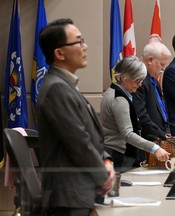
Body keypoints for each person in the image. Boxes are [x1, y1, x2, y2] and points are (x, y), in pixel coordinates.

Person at [37, 18, 115, 216]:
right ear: (59, 53)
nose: (85, 47)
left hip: (80, 193)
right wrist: (103, 177)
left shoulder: (65, 85)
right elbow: (79, 142)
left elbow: (90, 134)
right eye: (79, 42)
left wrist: (106, 161)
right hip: (69, 196)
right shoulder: (56, 88)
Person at [100, 56, 170, 173]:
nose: (139, 84)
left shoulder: (113, 92)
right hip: (118, 156)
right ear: (123, 77)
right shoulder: (119, 99)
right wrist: (155, 148)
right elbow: (128, 134)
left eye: (141, 80)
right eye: (137, 80)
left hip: (116, 153)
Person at [132, 42, 171, 142]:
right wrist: (159, 133)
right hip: (148, 139)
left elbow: (162, 109)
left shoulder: (154, 81)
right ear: (150, 60)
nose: (163, 68)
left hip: (160, 136)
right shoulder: (139, 82)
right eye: (162, 64)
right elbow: (140, 114)